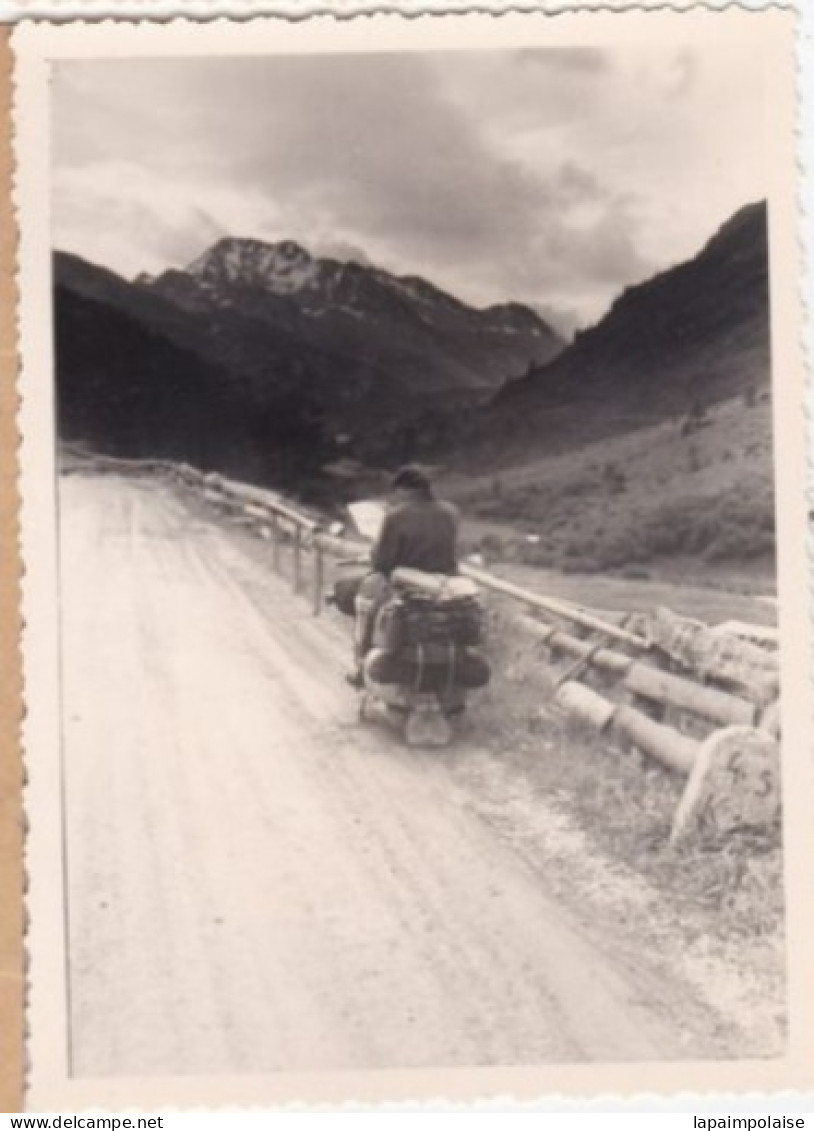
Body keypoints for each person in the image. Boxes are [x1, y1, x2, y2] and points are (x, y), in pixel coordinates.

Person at [348, 465, 459, 687]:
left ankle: (361, 666)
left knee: (369, 603)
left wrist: (375, 557)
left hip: (407, 583)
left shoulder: (395, 517)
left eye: (397, 492)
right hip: (444, 583)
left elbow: (382, 562)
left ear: (405, 490)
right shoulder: (451, 512)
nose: (395, 497)